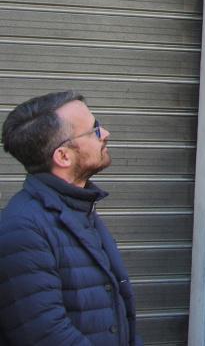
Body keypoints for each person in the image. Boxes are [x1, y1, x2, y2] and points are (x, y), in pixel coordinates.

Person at [0, 90, 141, 346]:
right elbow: (47, 335)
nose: (105, 133)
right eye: (94, 129)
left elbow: (119, 314)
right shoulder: (22, 228)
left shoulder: (78, 208)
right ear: (63, 156)